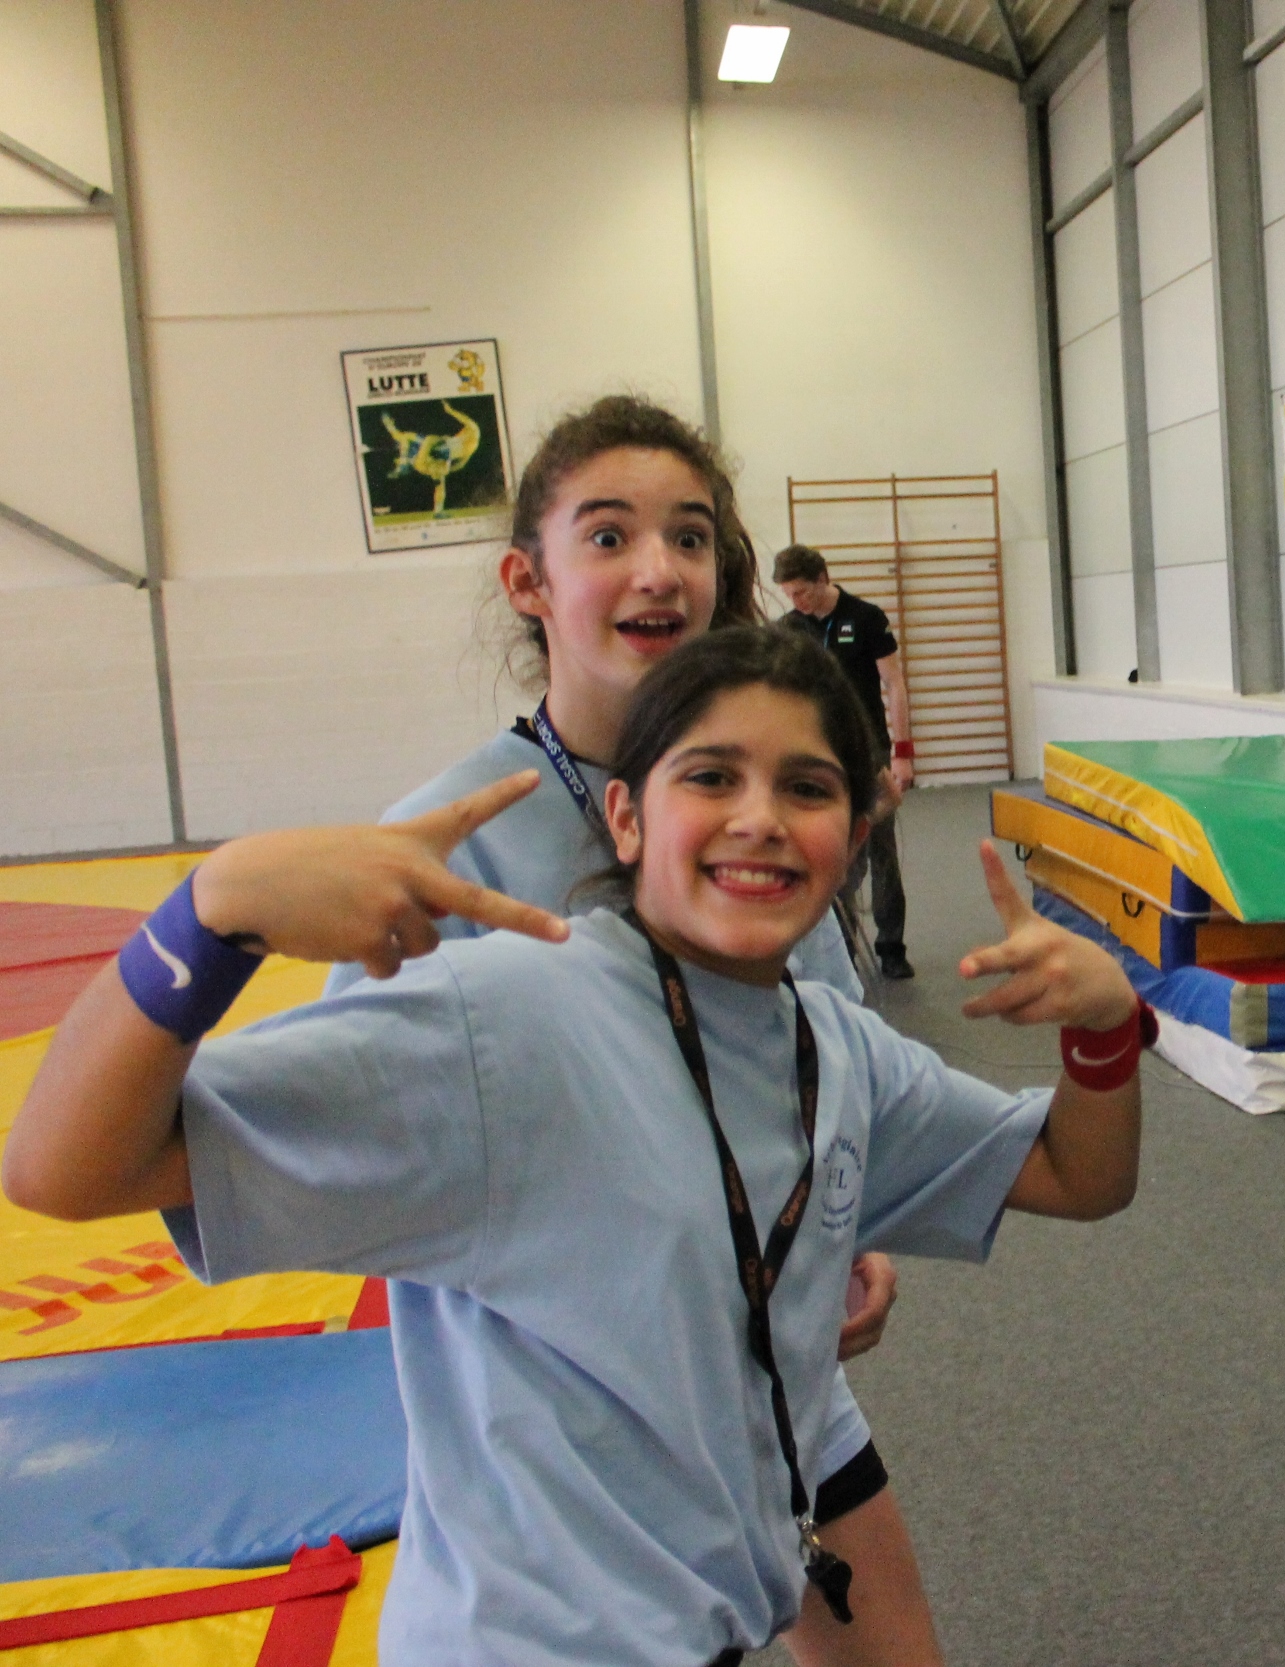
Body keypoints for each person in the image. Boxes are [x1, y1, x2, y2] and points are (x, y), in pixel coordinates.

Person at [3, 625, 1147, 1667]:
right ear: (626, 818)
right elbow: (63, 1168)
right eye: (711, 776)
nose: (758, 816)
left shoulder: (835, 1049)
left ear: (851, 837)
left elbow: (1075, 1173)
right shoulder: (509, 1017)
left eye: (805, 786)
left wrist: (1104, 1030)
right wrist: (208, 916)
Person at [321, 396, 932, 1666]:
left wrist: (842, 1221)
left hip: (769, 1380)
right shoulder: (446, 842)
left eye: (691, 536)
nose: (659, 568)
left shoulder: (762, 806)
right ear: (529, 582)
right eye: (608, 536)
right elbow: (357, 1162)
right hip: (565, 1442)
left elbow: (821, 1059)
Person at [775, 545, 915, 982]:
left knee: (882, 849)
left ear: (823, 578)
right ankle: (844, 950)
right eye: (789, 594)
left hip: (869, 751)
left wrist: (903, 752)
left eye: (803, 592)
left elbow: (894, 684)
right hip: (820, 755)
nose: (797, 601)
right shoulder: (789, 629)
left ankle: (891, 946)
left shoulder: (866, 617)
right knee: (836, 854)